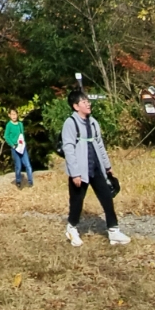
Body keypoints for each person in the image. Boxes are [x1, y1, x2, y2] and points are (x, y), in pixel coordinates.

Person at [62, 89, 130, 247]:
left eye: (88, 101)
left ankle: (114, 232)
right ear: (76, 106)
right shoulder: (70, 123)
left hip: (96, 168)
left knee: (107, 198)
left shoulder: (93, 122)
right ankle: (71, 229)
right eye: (84, 102)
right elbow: (69, 149)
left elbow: (100, 145)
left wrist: (107, 166)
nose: (88, 104)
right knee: (77, 202)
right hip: (80, 170)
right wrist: (75, 173)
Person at [4, 109, 34, 188]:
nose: (14, 116)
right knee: (18, 166)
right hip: (15, 147)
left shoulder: (20, 124)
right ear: (9, 115)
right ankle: (18, 181)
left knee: (28, 165)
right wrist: (12, 144)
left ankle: (30, 181)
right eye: (12, 114)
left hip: (22, 147)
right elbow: (6, 136)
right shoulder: (9, 125)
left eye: (15, 114)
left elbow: (22, 135)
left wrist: (24, 143)